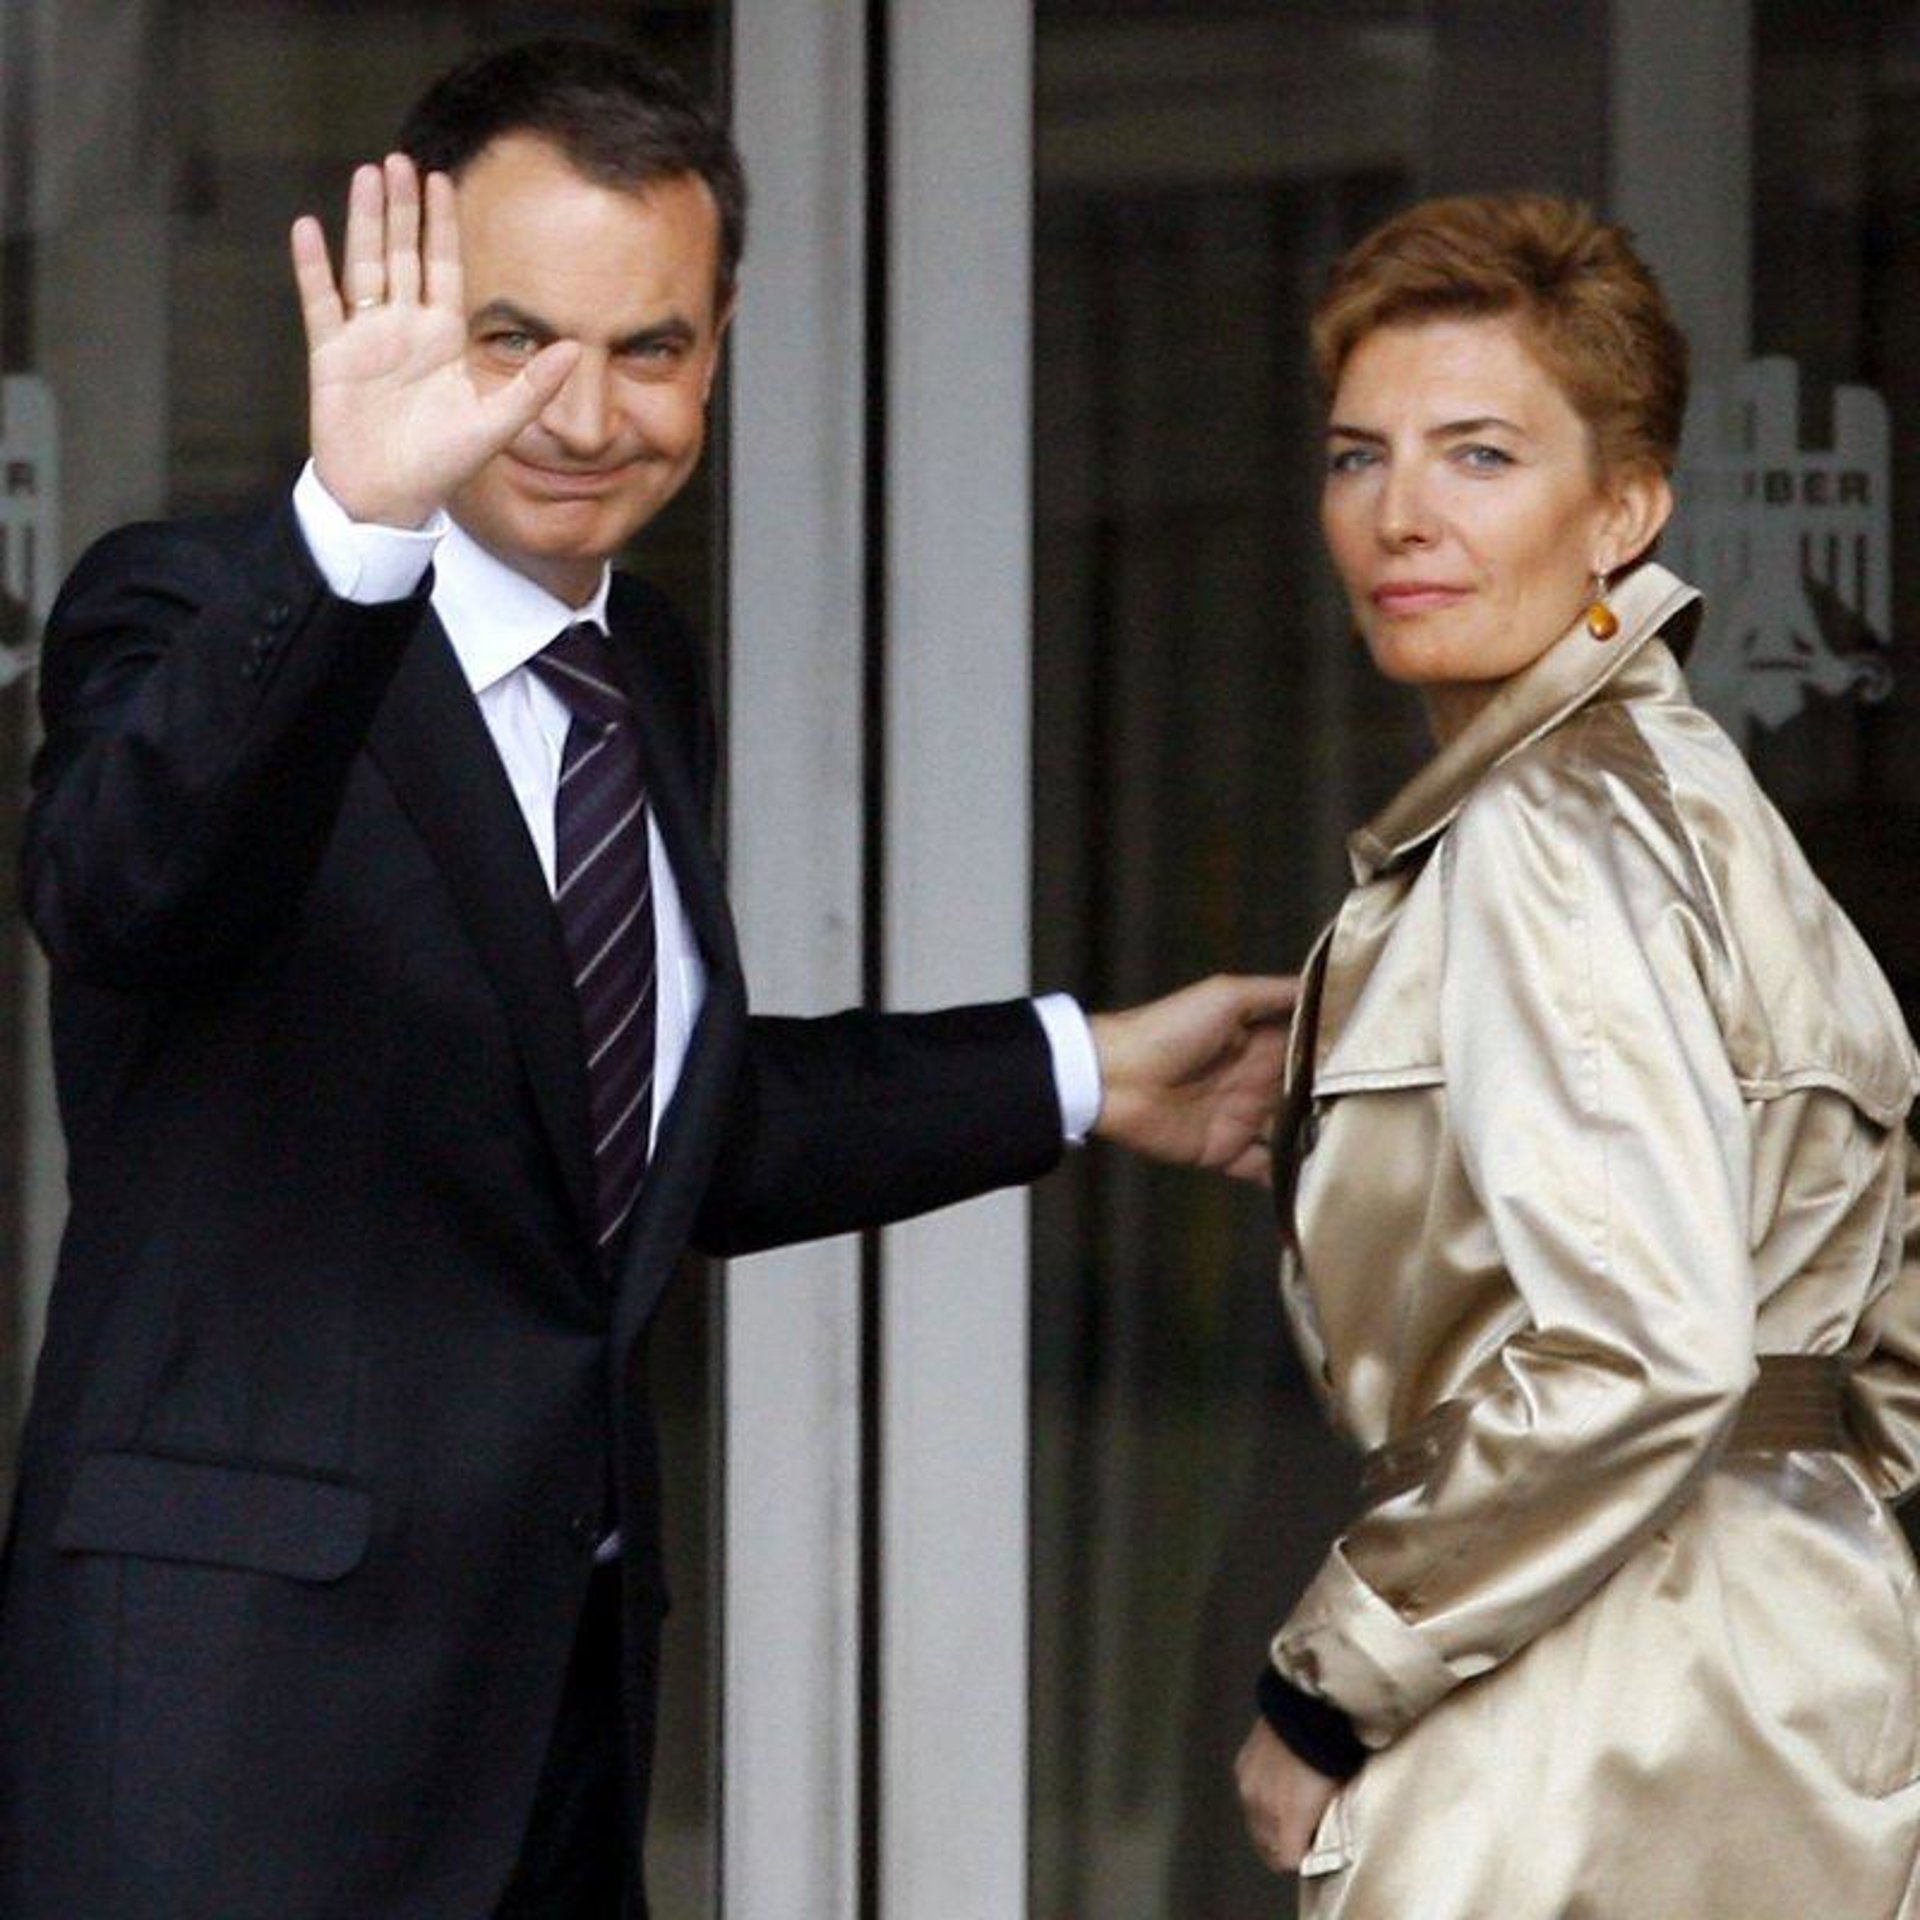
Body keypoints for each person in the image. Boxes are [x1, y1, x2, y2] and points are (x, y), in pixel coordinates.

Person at [0, 40, 1293, 1920]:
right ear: (408, 316)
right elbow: (122, 892)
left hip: (549, 1722)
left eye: (651, 349)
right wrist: (352, 531)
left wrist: (1082, 1070)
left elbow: (641, 1128)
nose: (584, 416)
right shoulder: (199, 606)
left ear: (723, 337)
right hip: (237, 1739)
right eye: (515, 341)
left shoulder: (637, 669)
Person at [1235, 192, 1920, 1917]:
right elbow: (1889, 1329)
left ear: (1624, 508)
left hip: (1577, 1709)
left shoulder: (1542, 827)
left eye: (1480, 455)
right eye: (1358, 456)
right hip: (1796, 1683)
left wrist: (1329, 1685)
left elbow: (1637, 1343)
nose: (1401, 514)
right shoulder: (1711, 811)